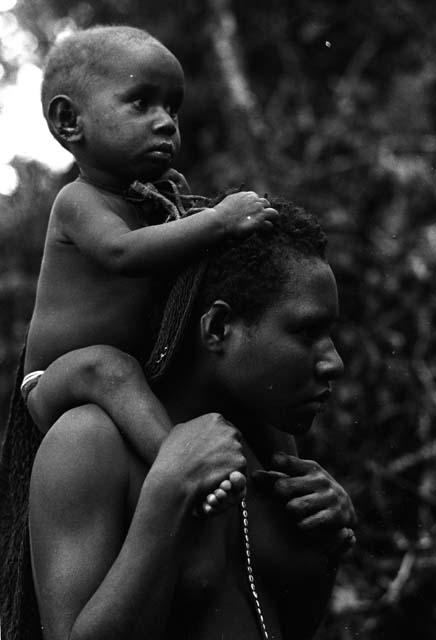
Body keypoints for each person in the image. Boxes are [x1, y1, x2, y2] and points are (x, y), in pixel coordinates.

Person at [28, 201, 356, 640]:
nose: (333, 362)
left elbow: (277, 621)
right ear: (218, 327)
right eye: (306, 332)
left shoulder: (269, 443)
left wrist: (327, 542)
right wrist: (169, 492)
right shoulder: (89, 444)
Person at [23, 24, 278, 512]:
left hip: (137, 375)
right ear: (69, 121)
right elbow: (124, 253)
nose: (166, 122)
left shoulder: (159, 201)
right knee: (109, 366)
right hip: (56, 378)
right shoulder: (79, 201)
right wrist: (219, 221)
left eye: (173, 108)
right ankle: (181, 463)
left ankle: (272, 471)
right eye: (141, 103)